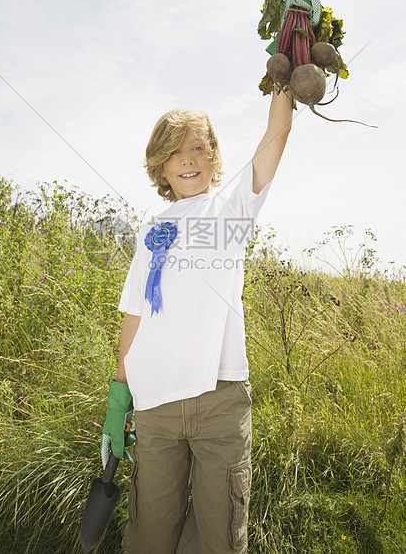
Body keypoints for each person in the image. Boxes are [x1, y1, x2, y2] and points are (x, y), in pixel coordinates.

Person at [101, 88, 293, 553]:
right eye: (174, 151)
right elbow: (135, 315)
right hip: (156, 408)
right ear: (161, 166)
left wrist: (288, 67)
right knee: (150, 537)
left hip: (219, 402)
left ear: (214, 157)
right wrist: (118, 395)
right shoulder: (150, 231)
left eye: (198, 147)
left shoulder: (230, 211)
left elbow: (277, 133)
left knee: (220, 539)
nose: (187, 159)